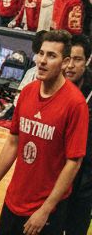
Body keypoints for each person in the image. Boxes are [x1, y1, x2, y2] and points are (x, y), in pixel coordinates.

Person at [0, 29, 88, 235]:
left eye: (51, 55)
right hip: (14, 200)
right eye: (41, 53)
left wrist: (46, 209)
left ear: (65, 63)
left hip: (45, 209)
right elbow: (13, 142)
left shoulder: (75, 104)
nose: (42, 61)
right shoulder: (28, 92)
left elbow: (73, 162)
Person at [60, 35, 90, 235]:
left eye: (77, 59)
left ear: (87, 61)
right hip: (56, 169)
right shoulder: (53, 84)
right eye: (67, 58)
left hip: (86, 170)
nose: (70, 65)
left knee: (75, 225)